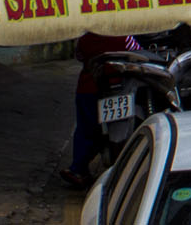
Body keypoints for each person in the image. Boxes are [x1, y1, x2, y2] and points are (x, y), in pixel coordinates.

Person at [61, 31, 142, 185]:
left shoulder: (85, 39)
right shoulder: (123, 37)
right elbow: (138, 52)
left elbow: (79, 55)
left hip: (89, 88)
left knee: (85, 130)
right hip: (119, 89)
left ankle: (78, 168)